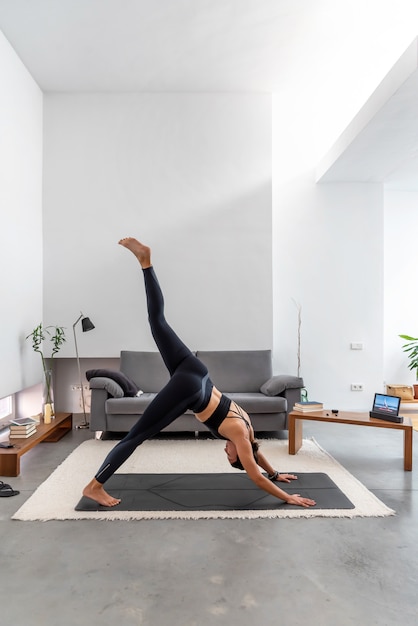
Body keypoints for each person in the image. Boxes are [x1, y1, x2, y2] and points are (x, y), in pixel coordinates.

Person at [82, 238, 316, 509]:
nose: (225, 451)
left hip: (197, 371)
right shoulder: (240, 436)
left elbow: (256, 454)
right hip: (190, 388)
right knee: (135, 436)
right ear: (239, 454)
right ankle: (94, 486)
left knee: (157, 321)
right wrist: (288, 497)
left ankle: (146, 264)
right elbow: (254, 474)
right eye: (230, 456)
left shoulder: (248, 431)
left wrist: (275, 473)